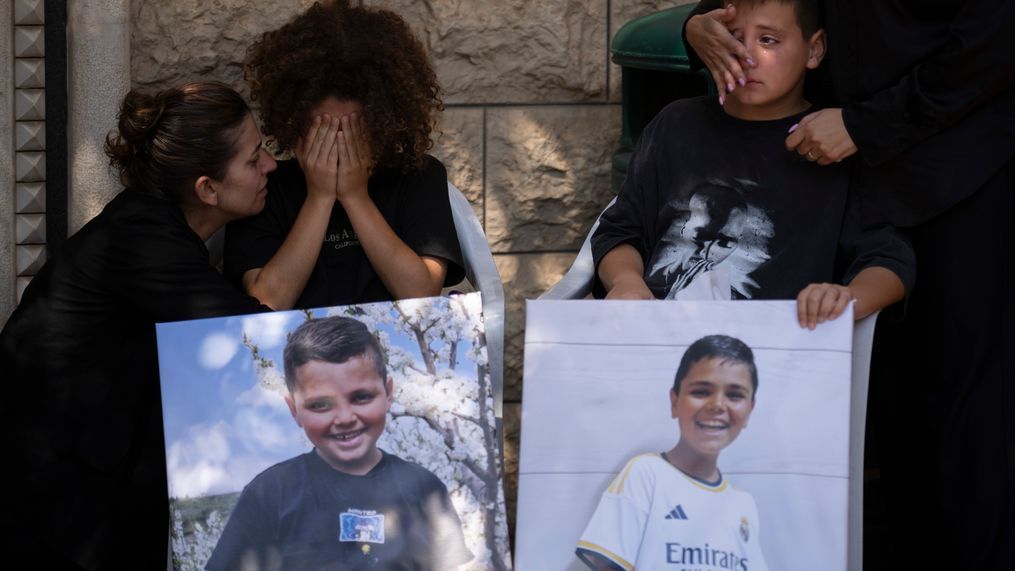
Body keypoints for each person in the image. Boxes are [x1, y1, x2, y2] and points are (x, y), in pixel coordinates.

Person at [685, 1, 1015, 568]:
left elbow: (996, 37)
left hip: (962, 174)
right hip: (843, 179)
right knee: (883, 408)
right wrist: (696, 24)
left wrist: (864, 124)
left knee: (972, 410)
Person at [0, 83, 275, 569]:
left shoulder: (153, 228)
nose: (271, 165)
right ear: (208, 189)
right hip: (47, 507)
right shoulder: (143, 238)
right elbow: (252, 334)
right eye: (254, 159)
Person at [592, 0, 914, 331]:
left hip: (773, 353)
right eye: (733, 37)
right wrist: (625, 281)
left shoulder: (832, 142)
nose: (746, 56)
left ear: (814, 49)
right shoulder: (675, 125)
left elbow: (889, 260)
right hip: (650, 336)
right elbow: (619, 230)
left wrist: (846, 298)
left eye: (768, 40)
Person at [223, 0, 464, 311]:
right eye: (323, 130)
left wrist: (355, 196)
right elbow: (267, 302)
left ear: (382, 123)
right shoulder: (264, 187)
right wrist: (320, 197)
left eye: (353, 132)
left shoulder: (418, 176)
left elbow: (421, 295)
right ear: (294, 122)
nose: (338, 144)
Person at [206, 316, 472, 571]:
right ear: (293, 409)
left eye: (361, 397)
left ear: (388, 393)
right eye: (320, 405)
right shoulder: (268, 493)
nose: (345, 418)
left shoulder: (425, 488)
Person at [576, 335, 767, 571]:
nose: (717, 405)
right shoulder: (646, 474)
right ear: (674, 401)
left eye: (735, 395)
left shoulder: (743, 503)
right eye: (701, 392)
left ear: (750, 409)